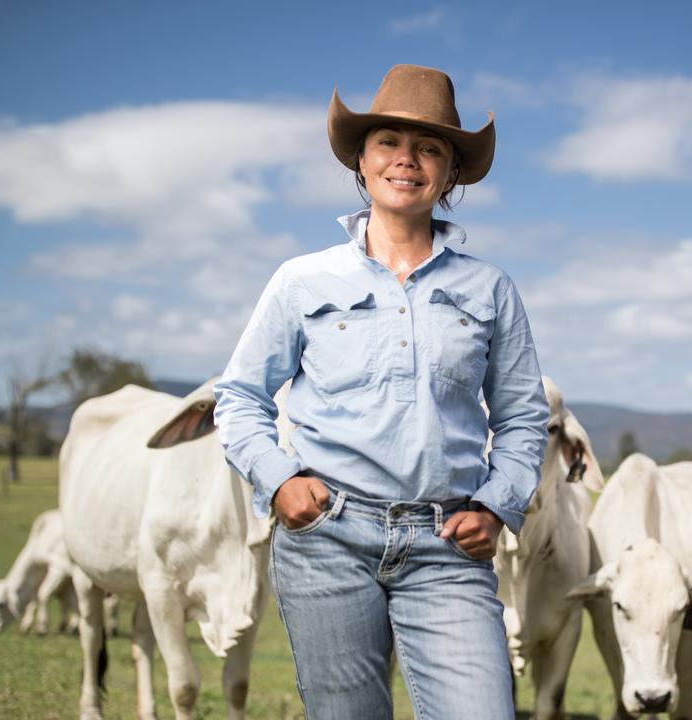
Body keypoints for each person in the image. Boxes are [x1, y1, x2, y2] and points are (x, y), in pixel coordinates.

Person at [213, 64, 549, 720]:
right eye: (389, 142)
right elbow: (241, 395)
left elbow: (522, 415)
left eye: (430, 148)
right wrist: (279, 480)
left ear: (450, 174)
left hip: (448, 545)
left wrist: (498, 504)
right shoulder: (302, 280)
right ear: (361, 162)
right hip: (327, 537)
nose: (407, 160)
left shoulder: (490, 290)